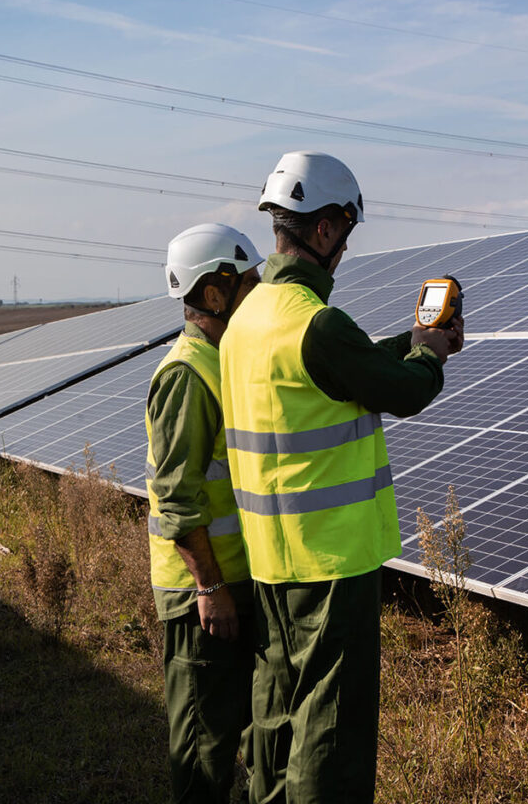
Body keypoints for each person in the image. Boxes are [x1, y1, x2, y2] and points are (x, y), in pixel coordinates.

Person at [219, 151, 463, 804]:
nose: (345, 250)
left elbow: (335, 373)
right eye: (346, 235)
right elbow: (404, 392)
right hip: (331, 562)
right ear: (325, 229)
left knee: (275, 711)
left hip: (270, 558)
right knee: (331, 728)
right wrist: (430, 353)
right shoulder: (316, 323)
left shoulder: (247, 321)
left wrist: (410, 340)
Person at [145, 222, 263, 804]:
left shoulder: (225, 360)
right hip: (201, 596)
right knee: (202, 752)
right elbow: (177, 496)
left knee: (237, 737)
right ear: (212, 294)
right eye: (247, 280)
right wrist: (210, 585)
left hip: (234, 581)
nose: (260, 288)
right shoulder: (187, 374)